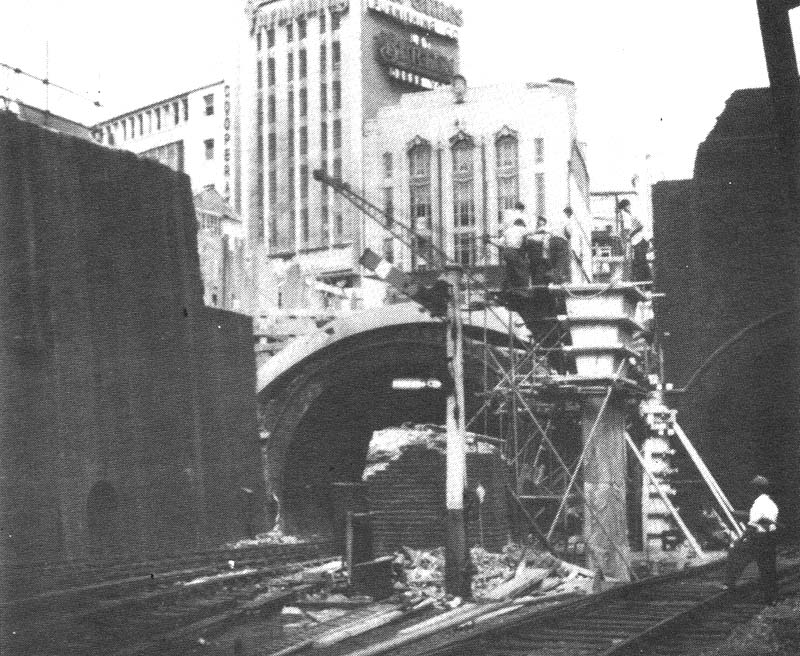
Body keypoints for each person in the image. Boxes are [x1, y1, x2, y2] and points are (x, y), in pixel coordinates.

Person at [724, 475, 778, 603]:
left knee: (735, 553)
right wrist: (742, 514)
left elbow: (752, 527)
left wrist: (740, 540)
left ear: (756, 489)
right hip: (770, 538)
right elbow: (763, 519)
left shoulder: (758, 504)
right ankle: (771, 599)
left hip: (758, 539)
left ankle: (729, 584)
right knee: (768, 568)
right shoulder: (771, 504)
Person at [525, 216, 552, 285]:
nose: (539, 222)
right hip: (536, 255)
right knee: (536, 271)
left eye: (541, 221)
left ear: (544, 223)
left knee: (541, 272)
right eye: (539, 221)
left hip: (542, 254)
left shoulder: (546, 231)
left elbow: (546, 243)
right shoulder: (534, 232)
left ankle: (541, 285)